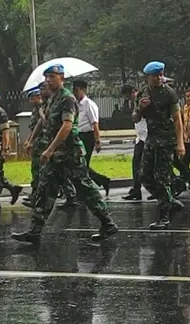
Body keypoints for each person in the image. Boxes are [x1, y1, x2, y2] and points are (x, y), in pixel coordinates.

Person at [11, 64, 117, 244]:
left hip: (70, 153)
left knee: (86, 190)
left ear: (62, 78)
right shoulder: (51, 99)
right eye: (46, 77)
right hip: (56, 156)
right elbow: (42, 122)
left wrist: (50, 149)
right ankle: (35, 231)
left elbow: (67, 126)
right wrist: (31, 140)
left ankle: (108, 223)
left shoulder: (67, 99)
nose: (48, 80)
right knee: (45, 189)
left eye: (51, 76)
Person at [133, 61, 186, 229]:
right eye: (155, 75)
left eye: (160, 74)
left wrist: (180, 143)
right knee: (144, 175)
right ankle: (168, 200)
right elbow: (135, 118)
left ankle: (164, 216)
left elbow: (178, 120)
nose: (158, 78)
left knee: (161, 179)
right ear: (148, 77)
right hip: (151, 140)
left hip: (167, 140)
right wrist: (140, 108)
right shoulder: (142, 94)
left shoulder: (169, 93)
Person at [72, 80, 111, 197]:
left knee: (81, 165)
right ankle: (102, 180)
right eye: (73, 90)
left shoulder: (89, 104)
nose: (74, 93)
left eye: (77, 90)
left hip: (87, 136)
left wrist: (97, 141)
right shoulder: (75, 104)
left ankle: (86, 192)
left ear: (83, 90)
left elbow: (95, 124)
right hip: (78, 136)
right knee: (79, 165)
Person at [121, 85, 147, 200]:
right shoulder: (137, 102)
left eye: (127, 96)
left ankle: (166, 189)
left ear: (132, 92)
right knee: (136, 164)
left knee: (151, 167)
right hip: (140, 138)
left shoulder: (141, 101)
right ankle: (136, 190)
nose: (128, 99)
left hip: (148, 137)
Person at [22, 85, 43, 207]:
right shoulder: (35, 110)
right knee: (35, 170)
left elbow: (41, 127)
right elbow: (33, 128)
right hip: (36, 143)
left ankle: (38, 197)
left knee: (40, 171)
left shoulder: (43, 109)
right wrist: (28, 140)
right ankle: (35, 195)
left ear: (38, 97)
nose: (30, 102)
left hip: (42, 144)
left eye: (32, 99)